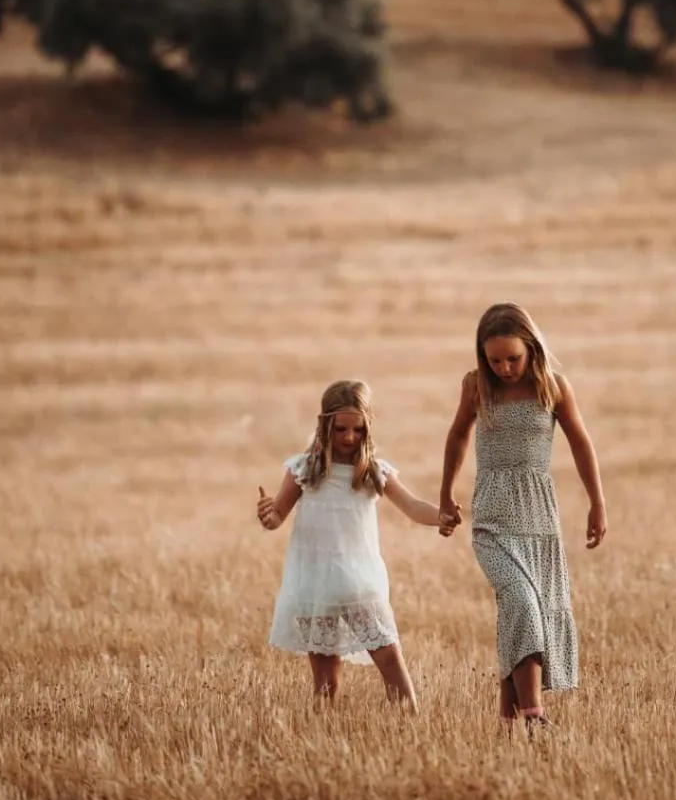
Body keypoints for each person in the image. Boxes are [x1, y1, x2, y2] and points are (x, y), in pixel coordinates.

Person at [438, 303, 607, 731]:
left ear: (531, 348)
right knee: (522, 603)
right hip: (493, 517)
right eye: (495, 360)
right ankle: (535, 716)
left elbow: (581, 444)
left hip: (539, 518)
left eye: (513, 358)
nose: (505, 367)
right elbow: (458, 434)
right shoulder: (476, 387)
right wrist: (446, 495)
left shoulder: (553, 387)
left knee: (530, 611)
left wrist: (597, 502)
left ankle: (509, 721)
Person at [258, 378, 454, 708]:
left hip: (358, 583)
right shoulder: (305, 469)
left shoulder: (373, 471)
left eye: (358, 430)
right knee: (324, 681)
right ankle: (325, 735)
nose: (350, 437)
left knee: (389, 657)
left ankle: (412, 724)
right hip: (313, 584)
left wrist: (442, 516)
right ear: (324, 426)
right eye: (341, 429)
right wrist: (268, 516)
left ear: (368, 429)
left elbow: (412, 506)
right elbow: (278, 516)